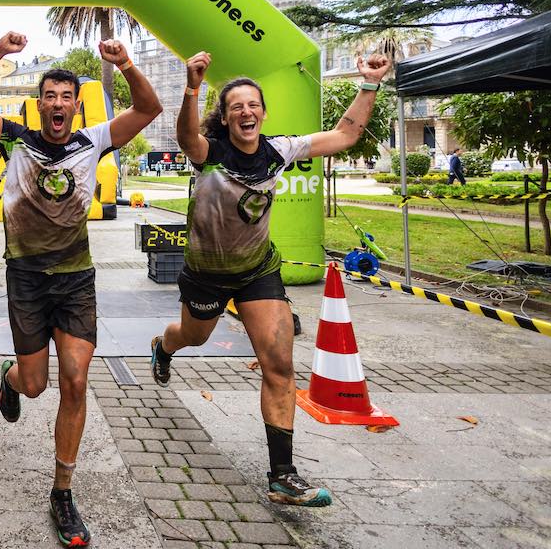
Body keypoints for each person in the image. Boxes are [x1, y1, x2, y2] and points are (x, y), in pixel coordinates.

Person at [150, 50, 392, 508]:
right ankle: (163, 348)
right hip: (206, 274)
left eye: (253, 105)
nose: (246, 111)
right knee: (192, 336)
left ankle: (283, 474)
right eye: (236, 106)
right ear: (224, 116)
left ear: (263, 112)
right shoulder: (210, 154)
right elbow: (186, 137)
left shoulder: (278, 150)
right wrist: (191, 88)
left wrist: (370, 85)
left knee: (279, 365)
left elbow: (343, 136)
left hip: (258, 271)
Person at [0, 32, 161, 547]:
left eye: (66, 96)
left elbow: (149, 107)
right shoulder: (15, 138)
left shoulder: (92, 141)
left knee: (74, 379)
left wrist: (127, 64)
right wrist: (0, 54)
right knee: (36, 384)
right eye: (49, 95)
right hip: (25, 279)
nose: (57, 103)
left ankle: (63, 492)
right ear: (39, 103)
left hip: (75, 279)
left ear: (75, 105)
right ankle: (12, 377)